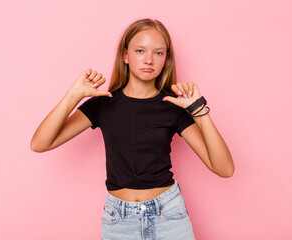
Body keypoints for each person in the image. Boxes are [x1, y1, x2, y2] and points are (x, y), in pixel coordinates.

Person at [30, 18, 234, 240]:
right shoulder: (103, 104)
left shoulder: (172, 106)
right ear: (125, 56)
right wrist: (74, 95)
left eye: (158, 53)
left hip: (169, 215)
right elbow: (40, 144)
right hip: (119, 221)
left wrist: (198, 110)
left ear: (166, 60)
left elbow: (224, 169)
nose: (148, 59)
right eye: (140, 50)